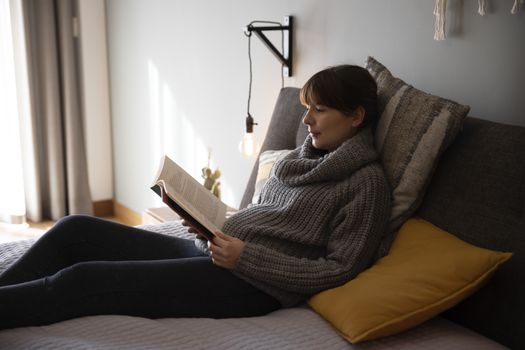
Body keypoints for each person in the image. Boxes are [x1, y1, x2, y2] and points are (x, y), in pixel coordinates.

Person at [0, 64, 391, 329]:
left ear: (355, 117)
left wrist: (246, 256)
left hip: (252, 287)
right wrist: (209, 224)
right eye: (307, 109)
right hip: (219, 253)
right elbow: (266, 218)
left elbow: (339, 269)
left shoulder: (366, 184)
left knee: (84, 279)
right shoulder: (300, 159)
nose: (306, 120)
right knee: (76, 229)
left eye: (319, 110)